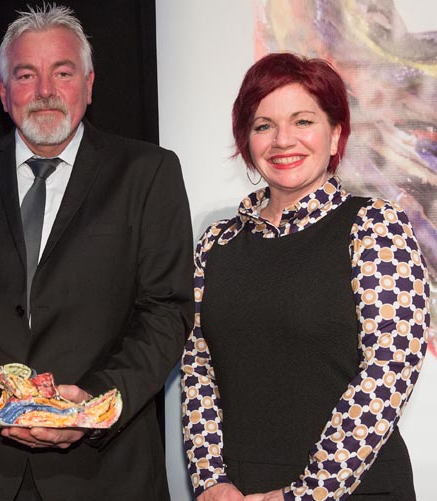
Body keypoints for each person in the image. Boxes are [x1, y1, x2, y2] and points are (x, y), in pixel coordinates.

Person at [0, 4, 193, 500]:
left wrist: (91, 406)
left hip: (106, 475)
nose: (45, 92)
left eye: (63, 72)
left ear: (90, 83)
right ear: (2, 91)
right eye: (25, 75)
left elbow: (166, 311)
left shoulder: (148, 174)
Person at [181, 52, 431, 501]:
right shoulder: (214, 244)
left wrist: (305, 494)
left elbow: (390, 369)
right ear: (246, 140)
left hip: (354, 488)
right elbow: (199, 369)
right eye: (263, 125)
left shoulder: (375, 227)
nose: (282, 140)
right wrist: (210, 481)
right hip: (238, 492)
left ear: (336, 136)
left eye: (302, 121)